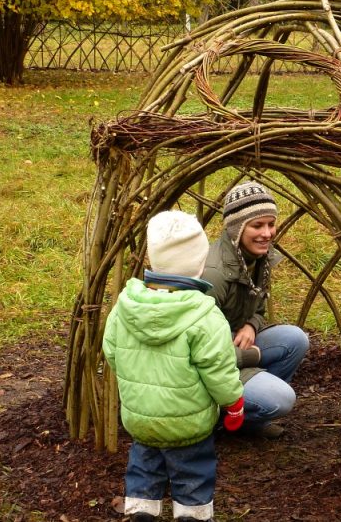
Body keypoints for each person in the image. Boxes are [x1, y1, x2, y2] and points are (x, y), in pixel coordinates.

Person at [103, 210, 245, 522]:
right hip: (188, 425)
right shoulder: (204, 316)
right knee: (192, 475)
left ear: (153, 261)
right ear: (199, 265)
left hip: (141, 421)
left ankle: (142, 512)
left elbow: (112, 354)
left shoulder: (125, 307)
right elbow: (218, 370)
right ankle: (191, 516)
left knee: (143, 470)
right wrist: (233, 403)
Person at [202, 181, 310, 440]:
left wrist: (251, 324)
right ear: (237, 228)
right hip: (211, 365)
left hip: (234, 346)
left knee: (295, 339)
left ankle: (247, 421)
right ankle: (215, 418)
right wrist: (250, 356)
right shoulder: (214, 274)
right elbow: (196, 349)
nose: (267, 233)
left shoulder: (257, 259)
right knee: (280, 399)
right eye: (257, 225)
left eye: (271, 224)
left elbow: (258, 308)